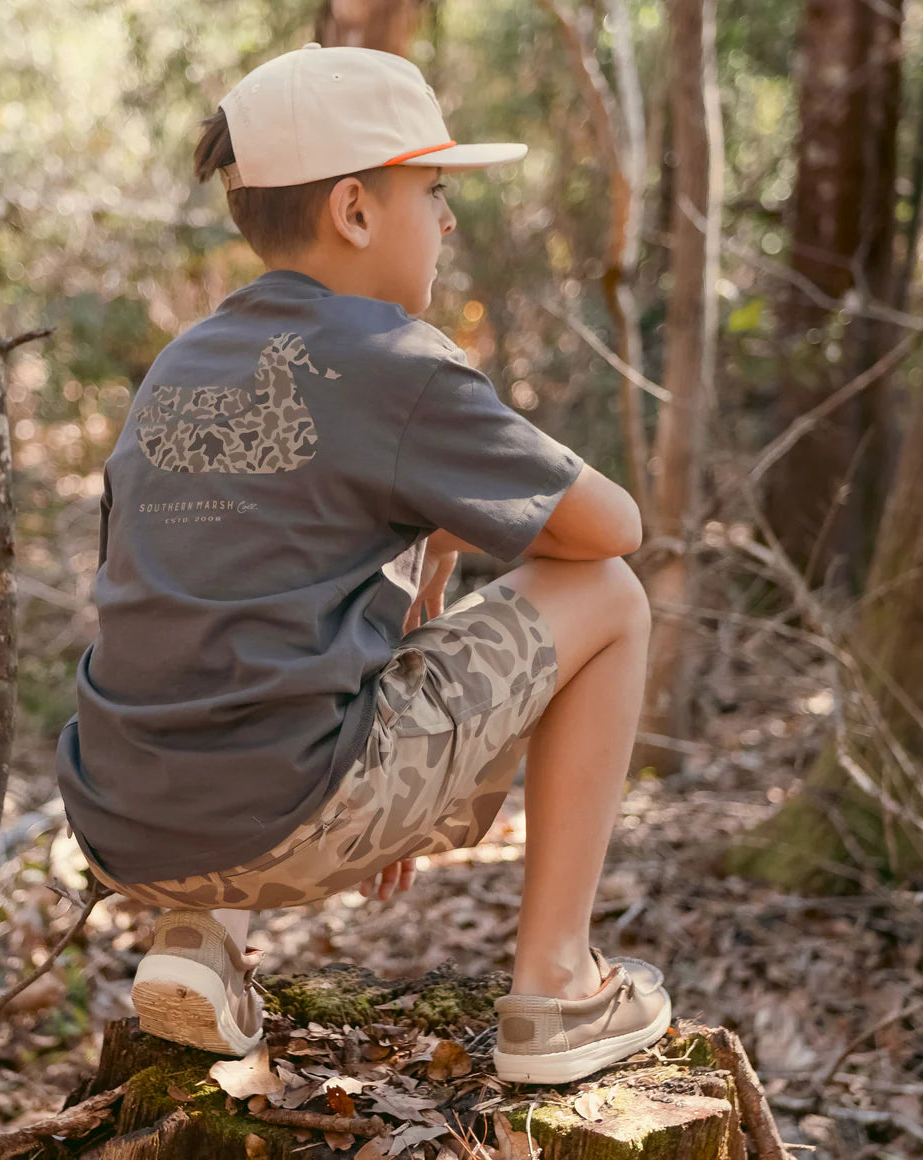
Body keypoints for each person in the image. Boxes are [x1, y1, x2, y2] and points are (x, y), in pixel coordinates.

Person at [55, 43, 670, 1086]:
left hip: (120, 819)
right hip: (293, 805)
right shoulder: (391, 358)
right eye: (431, 191)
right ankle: (556, 984)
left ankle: (200, 935)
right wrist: (456, 517)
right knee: (609, 595)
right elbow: (611, 526)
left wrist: (429, 535)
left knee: (223, 647)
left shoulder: (180, 364)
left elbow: (220, 594)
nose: (446, 221)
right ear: (352, 209)